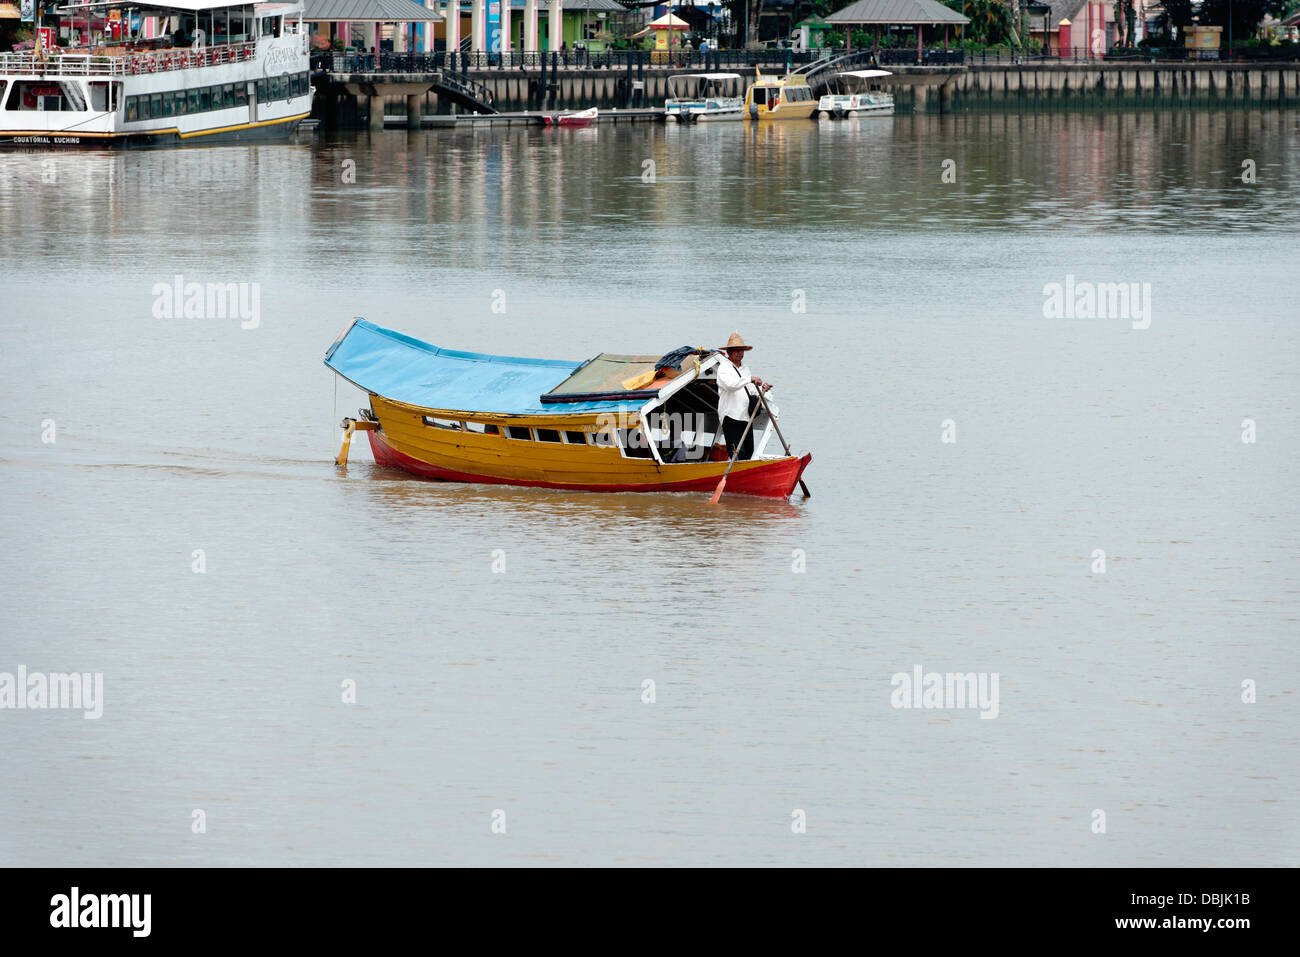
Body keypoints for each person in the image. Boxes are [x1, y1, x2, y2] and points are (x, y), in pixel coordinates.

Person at [715, 333, 771, 461]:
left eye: (742, 350)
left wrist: (762, 390)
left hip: (746, 417)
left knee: (749, 451)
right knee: (737, 453)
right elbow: (731, 385)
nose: (740, 353)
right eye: (736, 351)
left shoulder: (745, 369)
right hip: (731, 417)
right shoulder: (724, 368)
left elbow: (752, 392)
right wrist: (750, 379)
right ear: (729, 352)